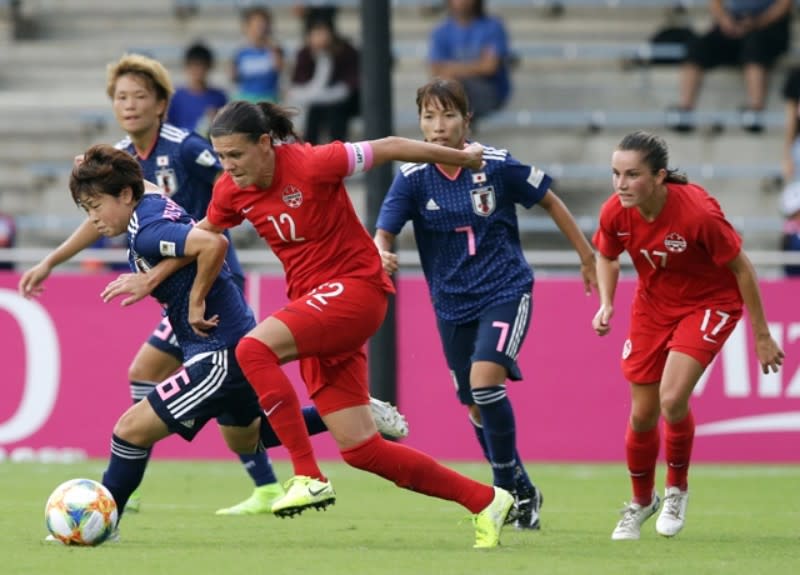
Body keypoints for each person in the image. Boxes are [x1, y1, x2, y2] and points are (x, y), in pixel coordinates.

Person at [130, 100, 517, 548]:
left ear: (264, 144)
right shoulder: (230, 190)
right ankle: (486, 500)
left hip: (356, 290)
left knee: (252, 349)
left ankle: (308, 475)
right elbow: (204, 237)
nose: (228, 166)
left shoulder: (314, 162)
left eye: (236, 155)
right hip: (316, 307)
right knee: (361, 451)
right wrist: (158, 277)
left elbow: (390, 147)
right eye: (221, 157)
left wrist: (463, 158)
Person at [18, 52, 277, 517]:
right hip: (187, 290)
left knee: (141, 403)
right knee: (237, 420)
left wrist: (164, 269)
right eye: (121, 97)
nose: (129, 104)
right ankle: (329, 435)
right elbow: (105, 217)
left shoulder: (184, 149)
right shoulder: (123, 170)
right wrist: (52, 260)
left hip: (211, 281)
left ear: (161, 104)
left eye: (140, 95)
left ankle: (123, 485)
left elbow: (230, 193)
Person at [53, 144, 332, 538]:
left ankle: (103, 522)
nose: (94, 218)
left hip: (216, 352)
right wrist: (96, 162)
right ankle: (348, 413)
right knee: (251, 437)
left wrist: (193, 296)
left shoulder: (146, 229)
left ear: (125, 195)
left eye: (96, 205)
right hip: (233, 342)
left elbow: (213, 243)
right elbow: (193, 229)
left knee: (129, 430)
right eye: (86, 209)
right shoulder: (148, 202)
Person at [374, 78, 597, 531]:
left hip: (504, 290)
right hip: (451, 304)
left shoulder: (495, 165)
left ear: (466, 119)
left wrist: (587, 255)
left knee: (484, 382)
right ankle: (522, 489)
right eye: (429, 117)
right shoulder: (413, 177)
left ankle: (502, 489)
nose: (438, 127)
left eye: (448, 115)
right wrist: (380, 250)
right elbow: (385, 229)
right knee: (476, 405)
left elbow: (549, 200)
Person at [591, 130, 784, 540]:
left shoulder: (697, 213)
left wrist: (762, 335)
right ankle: (642, 502)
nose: (621, 185)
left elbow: (742, 268)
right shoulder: (615, 212)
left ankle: (676, 488)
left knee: (672, 398)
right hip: (653, 306)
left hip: (709, 303)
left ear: (660, 176)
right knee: (642, 414)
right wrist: (607, 302)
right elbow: (606, 255)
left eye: (632, 175)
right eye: (616, 174)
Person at [668, 0, 792, 133]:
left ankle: (755, 111)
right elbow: (715, 3)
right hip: (732, 24)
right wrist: (725, 20)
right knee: (696, 48)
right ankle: (685, 110)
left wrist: (758, 22)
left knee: (755, 48)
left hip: (769, 27)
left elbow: (784, 4)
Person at [428, 0, 512, 122]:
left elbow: (489, 67)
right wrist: (474, 66)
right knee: (444, 85)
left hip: (489, 91)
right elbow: (436, 69)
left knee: (450, 84)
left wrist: (452, 69)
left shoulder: (492, 26)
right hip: (454, 91)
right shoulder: (441, 31)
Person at [287, 16, 360, 144]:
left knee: (335, 114)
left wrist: (317, 95)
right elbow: (296, 88)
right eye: (316, 34)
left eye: (323, 33)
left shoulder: (345, 51)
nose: (320, 38)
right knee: (311, 114)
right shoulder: (304, 54)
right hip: (316, 105)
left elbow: (346, 89)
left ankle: (338, 152)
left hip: (342, 105)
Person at [167, 41, 228, 136]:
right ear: (187, 67)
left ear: (209, 67)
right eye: (194, 66)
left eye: (202, 66)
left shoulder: (219, 97)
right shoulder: (176, 97)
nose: (198, 70)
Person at [231, 6, 283, 104]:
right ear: (247, 27)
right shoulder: (241, 52)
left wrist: (271, 46)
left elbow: (279, 68)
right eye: (255, 24)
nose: (259, 28)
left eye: (262, 24)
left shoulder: (275, 49)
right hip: (246, 100)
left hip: (269, 100)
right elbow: (234, 77)